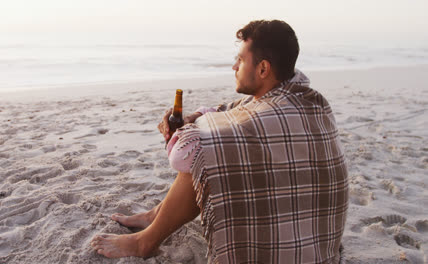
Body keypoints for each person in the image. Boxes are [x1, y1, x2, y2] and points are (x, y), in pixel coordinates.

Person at [91, 19, 348, 263]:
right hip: (315, 234)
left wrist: (185, 129)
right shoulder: (299, 94)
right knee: (216, 148)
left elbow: (183, 156)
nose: (234, 67)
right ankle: (156, 216)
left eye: (240, 60)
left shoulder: (266, 117)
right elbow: (233, 108)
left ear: (263, 68)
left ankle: (145, 242)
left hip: (290, 248)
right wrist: (194, 117)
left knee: (210, 156)